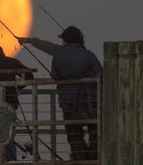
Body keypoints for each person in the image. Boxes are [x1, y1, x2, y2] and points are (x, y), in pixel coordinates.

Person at [19, 26, 102, 160]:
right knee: (94, 131)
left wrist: (30, 40)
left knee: (74, 133)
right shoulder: (89, 55)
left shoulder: (58, 54)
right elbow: (100, 74)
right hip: (90, 102)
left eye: (63, 39)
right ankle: (93, 158)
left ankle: (81, 159)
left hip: (68, 103)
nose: (62, 42)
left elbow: (55, 74)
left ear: (66, 40)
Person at [0, 45, 34, 163]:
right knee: (8, 137)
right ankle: (10, 161)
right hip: (8, 104)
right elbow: (29, 75)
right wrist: (18, 87)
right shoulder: (11, 62)